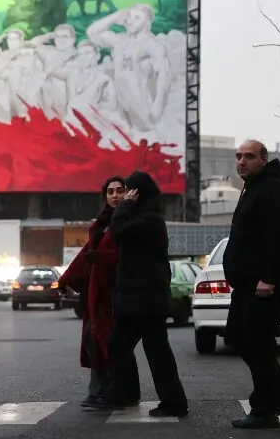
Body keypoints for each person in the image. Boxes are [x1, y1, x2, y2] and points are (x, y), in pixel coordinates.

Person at [223, 140, 280, 429]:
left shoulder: (273, 189)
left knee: (255, 339)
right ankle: (279, 392)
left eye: (249, 156)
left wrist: (268, 279)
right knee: (239, 335)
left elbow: (278, 237)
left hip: (267, 283)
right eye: (238, 156)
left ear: (264, 159)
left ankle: (266, 406)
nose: (242, 161)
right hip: (248, 282)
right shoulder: (254, 187)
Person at [107, 171, 188, 417]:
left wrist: (124, 206)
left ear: (138, 193)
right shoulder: (146, 217)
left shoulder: (149, 220)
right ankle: (126, 394)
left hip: (145, 301)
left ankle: (172, 401)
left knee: (155, 352)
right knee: (122, 347)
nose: (124, 195)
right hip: (138, 300)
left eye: (129, 190)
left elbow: (117, 230)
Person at [60, 176, 140, 410]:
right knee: (98, 341)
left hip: (119, 292)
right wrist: (66, 279)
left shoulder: (131, 221)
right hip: (98, 293)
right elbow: (87, 253)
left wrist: (100, 259)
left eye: (120, 191)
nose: (115, 195)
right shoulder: (102, 224)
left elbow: (127, 257)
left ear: (129, 193)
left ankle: (110, 392)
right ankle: (110, 392)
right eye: (110, 192)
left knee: (110, 343)